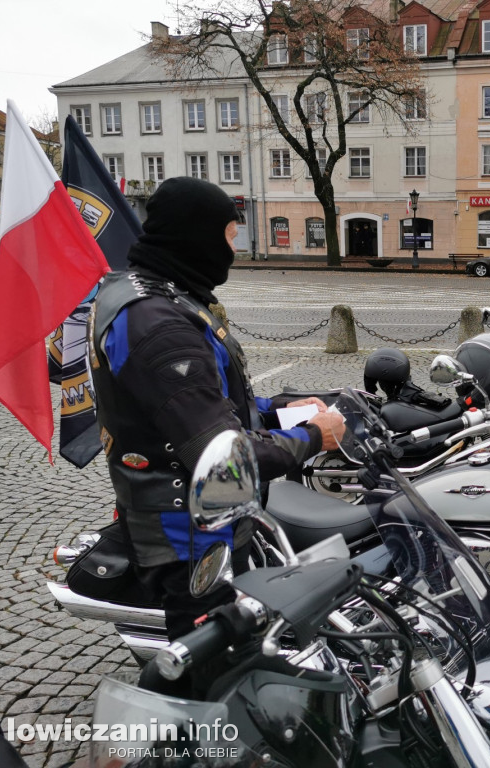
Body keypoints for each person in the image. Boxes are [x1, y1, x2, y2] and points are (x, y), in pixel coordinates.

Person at [88, 176, 347, 641]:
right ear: (198, 235)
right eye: (228, 235)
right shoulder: (157, 322)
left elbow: (215, 405)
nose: (232, 249)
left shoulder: (160, 295)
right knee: (217, 667)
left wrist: (286, 408)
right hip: (191, 534)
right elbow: (220, 457)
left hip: (206, 518)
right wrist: (313, 437)